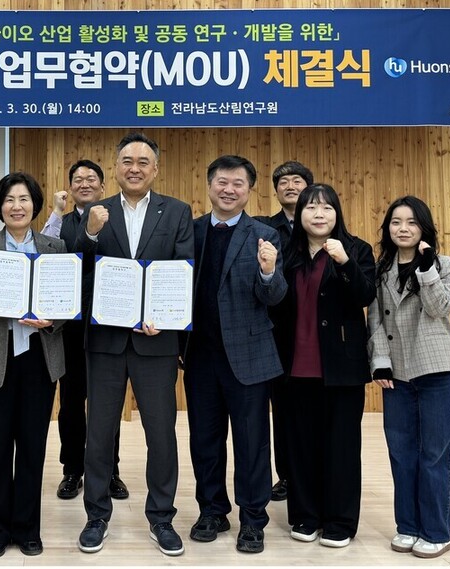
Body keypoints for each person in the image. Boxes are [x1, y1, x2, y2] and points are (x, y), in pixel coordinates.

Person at [75, 132, 193, 557]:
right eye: (127, 161)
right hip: (105, 340)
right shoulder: (97, 211)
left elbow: (182, 270)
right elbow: (77, 269)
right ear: (116, 167)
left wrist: (166, 317)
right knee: (98, 434)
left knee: (161, 434)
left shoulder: (177, 211)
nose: (135, 168)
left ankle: (161, 517)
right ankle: (96, 515)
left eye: (144, 161)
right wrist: (89, 234)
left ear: (155, 169)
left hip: (156, 341)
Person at [182, 155, 286, 555]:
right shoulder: (190, 232)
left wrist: (267, 271)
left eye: (238, 183)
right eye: (222, 182)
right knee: (204, 440)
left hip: (249, 356)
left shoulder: (264, 235)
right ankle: (212, 511)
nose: (229, 189)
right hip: (200, 356)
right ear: (209, 186)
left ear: (249, 190)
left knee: (252, 443)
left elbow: (274, 296)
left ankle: (253, 519)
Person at [0, 172, 66, 558]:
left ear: (35, 205)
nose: (16, 206)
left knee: (33, 448)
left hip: (39, 358)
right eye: (9, 200)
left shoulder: (55, 247)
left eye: (23, 199)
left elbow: (67, 300)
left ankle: (27, 529)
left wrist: (52, 320)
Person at [272, 183, 375, 549]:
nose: (319, 214)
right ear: (299, 214)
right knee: (299, 447)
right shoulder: (286, 252)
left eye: (327, 207)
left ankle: (340, 520)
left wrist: (345, 262)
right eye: (311, 207)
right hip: (292, 368)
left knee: (341, 447)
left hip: (341, 369)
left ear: (337, 213)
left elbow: (365, 295)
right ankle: (305, 515)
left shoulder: (357, 249)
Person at [368, 196, 450, 559]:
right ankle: (407, 526)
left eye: (411, 222)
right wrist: (379, 361)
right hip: (397, 374)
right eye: (396, 222)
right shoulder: (381, 269)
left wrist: (426, 268)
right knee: (402, 454)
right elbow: (375, 320)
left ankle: (437, 531)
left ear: (424, 227)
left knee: (435, 455)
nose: (403, 228)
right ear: (388, 228)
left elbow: (440, 308)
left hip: (436, 370)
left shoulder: (444, 264)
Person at [41, 160, 127, 501]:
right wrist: (56, 211)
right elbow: (45, 255)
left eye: (92, 179)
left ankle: (110, 470)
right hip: (70, 328)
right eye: (78, 179)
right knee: (71, 402)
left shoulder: (118, 219)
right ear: (70, 187)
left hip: (108, 324)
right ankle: (72, 469)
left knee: (108, 402)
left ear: (103, 187)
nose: (85, 183)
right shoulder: (60, 223)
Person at [254, 161, 314, 503]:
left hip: (313, 329)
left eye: (297, 181)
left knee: (311, 407)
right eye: (283, 182)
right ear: (275, 191)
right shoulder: (263, 227)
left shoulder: (322, 225)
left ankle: (313, 473)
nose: (290, 186)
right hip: (276, 329)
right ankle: (287, 475)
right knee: (282, 407)